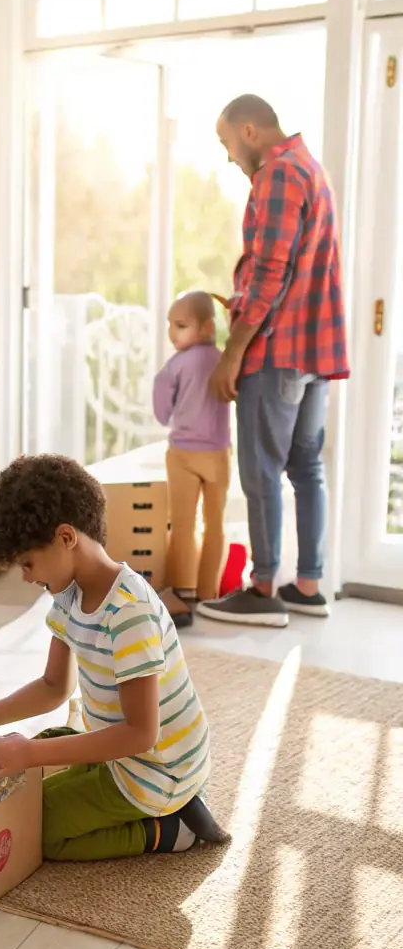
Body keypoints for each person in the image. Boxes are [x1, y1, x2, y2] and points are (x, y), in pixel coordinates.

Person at [0, 455, 229, 861]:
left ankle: (168, 830)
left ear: (65, 537)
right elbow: (53, 687)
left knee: (30, 830)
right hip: (119, 753)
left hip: (157, 770)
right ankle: (90, 773)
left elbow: (141, 734)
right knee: (16, 775)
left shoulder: (129, 613)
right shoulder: (68, 597)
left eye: (28, 563)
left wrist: (31, 755)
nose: (27, 577)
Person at [199, 95, 349, 628]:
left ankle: (263, 589)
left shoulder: (279, 174)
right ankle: (307, 586)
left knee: (260, 469)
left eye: (226, 143)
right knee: (306, 467)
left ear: (249, 131)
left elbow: (269, 273)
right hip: (313, 351)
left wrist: (231, 354)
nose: (228, 156)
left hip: (277, 349)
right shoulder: (311, 168)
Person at [151, 290, 231, 626]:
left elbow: (161, 409)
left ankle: (181, 592)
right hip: (218, 453)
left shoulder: (175, 365)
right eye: (170, 324)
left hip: (183, 452)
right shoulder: (225, 361)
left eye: (181, 325)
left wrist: (170, 412)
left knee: (182, 524)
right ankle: (208, 592)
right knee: (215, 525)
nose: (172, 332)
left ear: (206, 327)